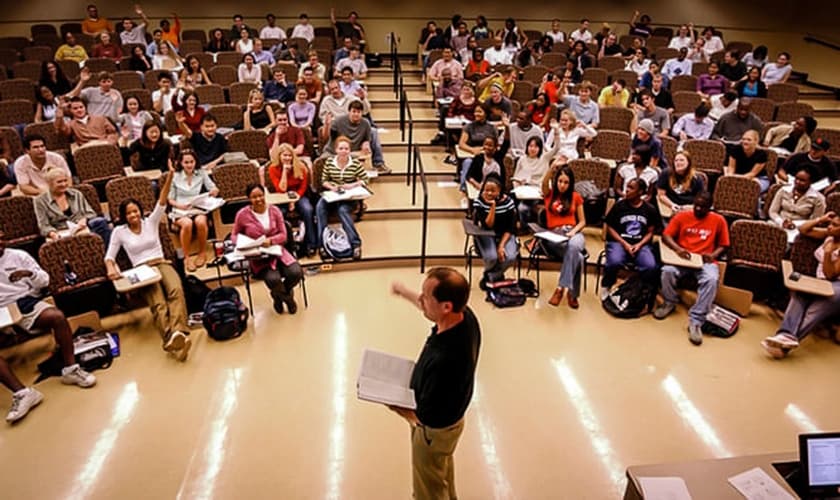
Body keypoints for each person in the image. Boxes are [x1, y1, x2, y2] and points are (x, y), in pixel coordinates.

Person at [389, 267, 480, 500]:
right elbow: (428, 307)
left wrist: (395, 404)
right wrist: (403, 292)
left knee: (428, 488)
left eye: (425, 296)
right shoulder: (466, 318)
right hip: (451, 424)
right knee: (442, 473)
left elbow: (423, 416)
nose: (420, 299)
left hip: (433, 432)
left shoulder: (446, 360)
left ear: (446, 306)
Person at [0, 230, 96, 423]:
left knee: (57, 317)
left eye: (1, 236)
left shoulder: (19, 256)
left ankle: (71, 370)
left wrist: (29, 273)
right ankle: (23, 393)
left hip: (23, 302)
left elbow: (45, 280)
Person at [105, 163, 191, 360]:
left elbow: (162, 199)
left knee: (176, 290)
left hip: (161, 262)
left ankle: (178, 333)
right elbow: (110, 256)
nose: (134, 215)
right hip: (142, 271)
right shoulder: (119, 232)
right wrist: (111, 267)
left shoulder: (151, 221)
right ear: (123, 216)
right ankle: (171, 338)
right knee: (159, 304)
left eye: (136, 211)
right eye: (129, 213)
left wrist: (169, 175)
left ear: (141, 211)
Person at [761, 212, 840, 358]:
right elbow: (803, 229)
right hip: (820, 280)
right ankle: (786, 336)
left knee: (820, 306)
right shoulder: (829, 236)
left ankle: (784, 340)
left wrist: (828, 254)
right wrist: (820, 219)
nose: (829, 227)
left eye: (835, 225)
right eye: (830, 224)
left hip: (836, 286)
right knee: (799, 293)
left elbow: (830, 275)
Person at [654, 192, 729, 345]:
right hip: (682, 257)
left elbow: (724, 244)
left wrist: (713, 254)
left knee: (712, 279)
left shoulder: (718, 220)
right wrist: (678, 249)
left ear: (710, 208)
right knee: (667, 271)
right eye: (696, 206)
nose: (699, 209)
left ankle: (696, 319)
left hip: (704, 260)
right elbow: (666, 236)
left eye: (703, 207)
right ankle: (669, 301)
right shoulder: (682, 216)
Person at [232, 184, 303, 314]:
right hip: (259, 257)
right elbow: (234, 235)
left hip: (278, 251)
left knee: (296, 273)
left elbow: (283, 235)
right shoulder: (242, 214)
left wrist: (271, 240)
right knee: (273, 279)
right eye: (254, 197)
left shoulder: (275, 211)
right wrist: (243, 243)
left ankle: (278, 296)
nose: (258, 199)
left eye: (260, 195)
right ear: (248, 199)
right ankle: (289, 300)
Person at [601, 178, 661, 298]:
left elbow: (650, 232)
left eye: (631, 188)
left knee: (650, 266)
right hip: (619, 243)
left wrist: (639, 245)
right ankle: (607, 285)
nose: (626, 190)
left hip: (641, 245)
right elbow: (610, 228)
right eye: (627, 187)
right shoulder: (619, 206)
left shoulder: (650, 209)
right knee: (614, 262)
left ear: (640, 192)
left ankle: (637, 288)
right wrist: (625, 244)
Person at [541, 166, 587, 308]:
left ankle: (560, 288)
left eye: (566, 182)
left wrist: (574, 232)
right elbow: (544, 183)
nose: (562, 185)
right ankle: (572, 294)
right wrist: (551, 169)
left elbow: (583, 221)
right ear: (556, 181)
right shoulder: (550, 194)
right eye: (560, 181)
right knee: (577, 257)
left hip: (573, 233)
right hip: (555, 236)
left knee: (574, 246)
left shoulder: (575, 197)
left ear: (570, 183)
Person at [316, 135, 368, 259]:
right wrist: (332, 187)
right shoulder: (329, 162)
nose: (344, 151)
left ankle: (355, 244)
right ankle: (322, 245)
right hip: (333, 194)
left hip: (349, 198)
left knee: (342, 211)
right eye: (341, 148)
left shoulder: (355, 163)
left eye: (346, 149)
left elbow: (365, 179)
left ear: (349, 150)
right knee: (319, 207)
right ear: (336, 150)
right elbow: (324, 181)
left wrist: (352, 185)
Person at [262, 143, 317, 256]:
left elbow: (303, 187)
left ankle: (311, 244)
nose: (287, 158)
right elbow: (281, 189)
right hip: (281, 198)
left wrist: (294, 200)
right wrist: (284, 173)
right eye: (284, 155)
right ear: (279, 156)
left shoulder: (301, 167)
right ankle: (285, 245)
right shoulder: (273, 168)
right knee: (279, 214)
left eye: (289, 155)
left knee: (308, 210)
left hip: (299, 196)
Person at [167, 149, 218, 271]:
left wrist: (214, 191)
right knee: (187, 224)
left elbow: (213, 188)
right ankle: (186, 257)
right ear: (180, 163)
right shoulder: (175, 176)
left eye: (191, 162)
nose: (189, 165)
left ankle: (202, 252)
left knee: (201, 222)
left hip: (196, 207)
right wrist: (180, 206)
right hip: (180, 209)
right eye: (186, 162)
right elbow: (170, 199)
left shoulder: (201, 173)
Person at [34, 167, 111, 245]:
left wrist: (84, 220)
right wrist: (53, 234)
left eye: (65, 180)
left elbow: (90, 213)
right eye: (59, 182)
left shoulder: (76, 194)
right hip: (60, 231)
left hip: (81, 228)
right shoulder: (40, 201)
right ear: (49, 183)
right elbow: (44, 225)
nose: (64, 184)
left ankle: (107, 254)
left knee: (100, 222)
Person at [471, 174, 518, 286]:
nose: (489, 193)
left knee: (510, 257)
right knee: (491, 257)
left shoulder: (508, 202)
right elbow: (488, 225)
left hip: (505, 233)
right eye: (486, 190)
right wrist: (493, 207)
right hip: (486, 233)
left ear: (500, 191)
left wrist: (501, 246)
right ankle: (495, 278)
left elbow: (510, 227)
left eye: (493, 191)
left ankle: (491, 276)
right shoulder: (479, 202)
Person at [512, 128, 560, 224]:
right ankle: (524, 227)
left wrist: (556, 132)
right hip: (526, 191)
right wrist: (518, 186)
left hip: (540, 191)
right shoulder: (522, 159)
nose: (533, 149)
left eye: (536, 147)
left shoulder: (545, 158)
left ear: (540, 148)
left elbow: (556, 148)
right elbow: (515, 177)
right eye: (530, 146)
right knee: (521, 208)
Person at [768, 165, 825, 230]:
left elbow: (815, 220)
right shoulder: (783, 190)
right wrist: (781, 222)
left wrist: (795, 224)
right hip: (778, 224)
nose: (797, 182)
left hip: (801, 229)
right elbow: (772, 212)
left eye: (802, 180)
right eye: (796, 178)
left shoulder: (818, 199)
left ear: (811, 182)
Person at [55, 97, 119, 149]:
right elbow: (62, 130)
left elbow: (112, 132)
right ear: (71, 111)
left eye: (81, 107)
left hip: (104, 144)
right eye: (75, 108)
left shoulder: (100, 118)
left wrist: (109, 142)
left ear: (85, 108)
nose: (79, 110)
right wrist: (60, 112)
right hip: (87, 149)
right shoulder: (71, 124)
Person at [657, 151, 705, 215]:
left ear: (688, 163)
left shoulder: (697, 178)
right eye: (676, 160)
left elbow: (701, 199)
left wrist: (691, 207)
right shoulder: (666, 173)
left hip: (689, 208)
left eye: (681, 160)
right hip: (669, 206)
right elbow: (661, 195)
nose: (678, 162)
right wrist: (672, 205)